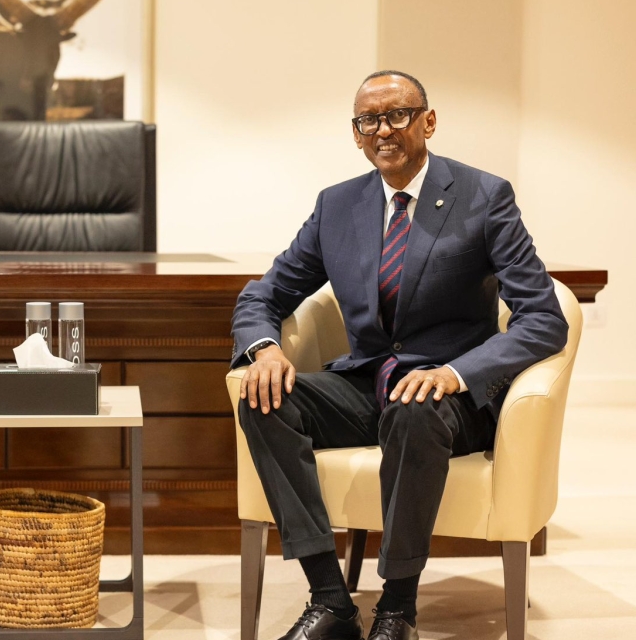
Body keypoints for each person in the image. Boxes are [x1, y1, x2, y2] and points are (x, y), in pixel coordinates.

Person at [231, 71, 567, 640]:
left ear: (427, 122)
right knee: (261, 400)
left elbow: (543, 317)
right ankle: (330, 600)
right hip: (368, 381)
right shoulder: (337, 205)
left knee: (413, 410)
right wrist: (263, 350)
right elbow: (262, 294)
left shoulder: (484, 196)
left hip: (451, 396)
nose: (383, 131)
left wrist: (458, 373)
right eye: (368, 121)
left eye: (397, 115)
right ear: (357, 134)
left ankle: (397, 609)